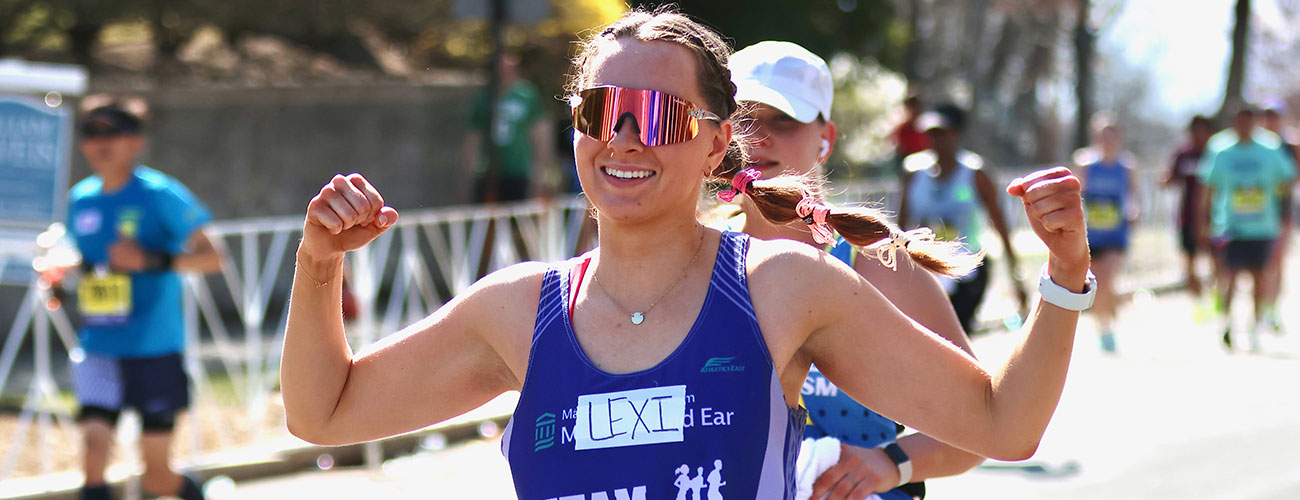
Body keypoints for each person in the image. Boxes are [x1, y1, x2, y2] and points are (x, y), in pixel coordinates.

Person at [281, 9, 1092, 498]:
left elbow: (1002, 423)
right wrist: (319, 266)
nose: (625, 137)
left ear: (717, 148)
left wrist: (1063, 279)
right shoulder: (517, 308)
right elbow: (324, 412)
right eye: (601, 110)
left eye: (659, 115)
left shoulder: (782, 288)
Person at [726, 40, 982, 499]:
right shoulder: (695, 257)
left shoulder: (879, 262)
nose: (758, 138)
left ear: (826, 137)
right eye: (742, 118)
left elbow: (981, 419)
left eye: (783, 120)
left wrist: (890, 463)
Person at [58, 95, 223, 500]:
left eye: (111, 132)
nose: (100, 142)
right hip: (98, 345)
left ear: (135, 141)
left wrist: (150, 259)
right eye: (90, 132)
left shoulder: (159, 193)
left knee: (157, 479)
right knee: (93, 454)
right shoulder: (80, 199)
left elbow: (214, 257)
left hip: (153, 347)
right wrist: (61, 274)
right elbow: (83, 259)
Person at [897, 103, 1029, 335]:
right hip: (925, 268)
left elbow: (1000, 224)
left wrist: (1015, 275)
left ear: (955, 134)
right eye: (930, 134)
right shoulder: (913, 172)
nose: (935, 140)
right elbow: (900, 226)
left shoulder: (976, 173)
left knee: (957, 335)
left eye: (941, 133)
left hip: (968, 268)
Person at [1198, 106, 1297, 351]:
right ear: (1234, 121)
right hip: (1230, 225)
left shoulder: (1271, 148)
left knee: (1259, 277)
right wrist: (1204, 219)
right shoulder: (1220, 149)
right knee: (1227, 275)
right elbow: (1208, 185)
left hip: (1263, 226)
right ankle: (1228, 324)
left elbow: (1289, 177)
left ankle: (1254, 327)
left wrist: (1276, 198)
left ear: (1254, 122)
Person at [1074, 116, 1138, 353]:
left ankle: (1108, 324)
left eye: (1113, 136)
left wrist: (1134, 212)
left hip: (1117, 233)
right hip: (1093, 234)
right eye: (1104, 136)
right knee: (1099, 284)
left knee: (1109, 278)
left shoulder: (1127, 166)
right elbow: (1076, 194)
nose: (1108, 141)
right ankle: (1105, 326)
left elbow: (1133, 196)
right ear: (1096, 138)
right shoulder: (1086, 163)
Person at [459, 53, 555, 203]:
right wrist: (467, 177)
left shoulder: (526, 95)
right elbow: (473, 138)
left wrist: (542, 173)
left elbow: (540, 134)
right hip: (487, 170)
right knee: (487, 221)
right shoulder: (484, 98)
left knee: (515, 219)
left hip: (517, 170)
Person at [1258, 104, 1300, 331]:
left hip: (1280, 212)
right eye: (1266, 116)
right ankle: (1260, 307)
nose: (1270, 121)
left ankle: (1271, 309)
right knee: (1260, 264)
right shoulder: (1254, 145)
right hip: (1253, 216)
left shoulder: (1288, 145)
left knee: (1276, 262)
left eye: (1274, 116)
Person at [1163, 115, 1214, 298]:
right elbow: (1170, 179)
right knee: (1189, 262)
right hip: (1187, 216)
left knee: (1215, 261)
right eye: (1195, 131)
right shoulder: (1183, 154)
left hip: (1213, 216)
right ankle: (1198, 299)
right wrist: (1164, 179)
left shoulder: (1215, 154)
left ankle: (1215, 298)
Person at [889, 95, 931, 175]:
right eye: (912, 106)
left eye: (917, 106)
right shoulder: (903, 129)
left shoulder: (928, 125)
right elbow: (901, 149)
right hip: (910, 165)